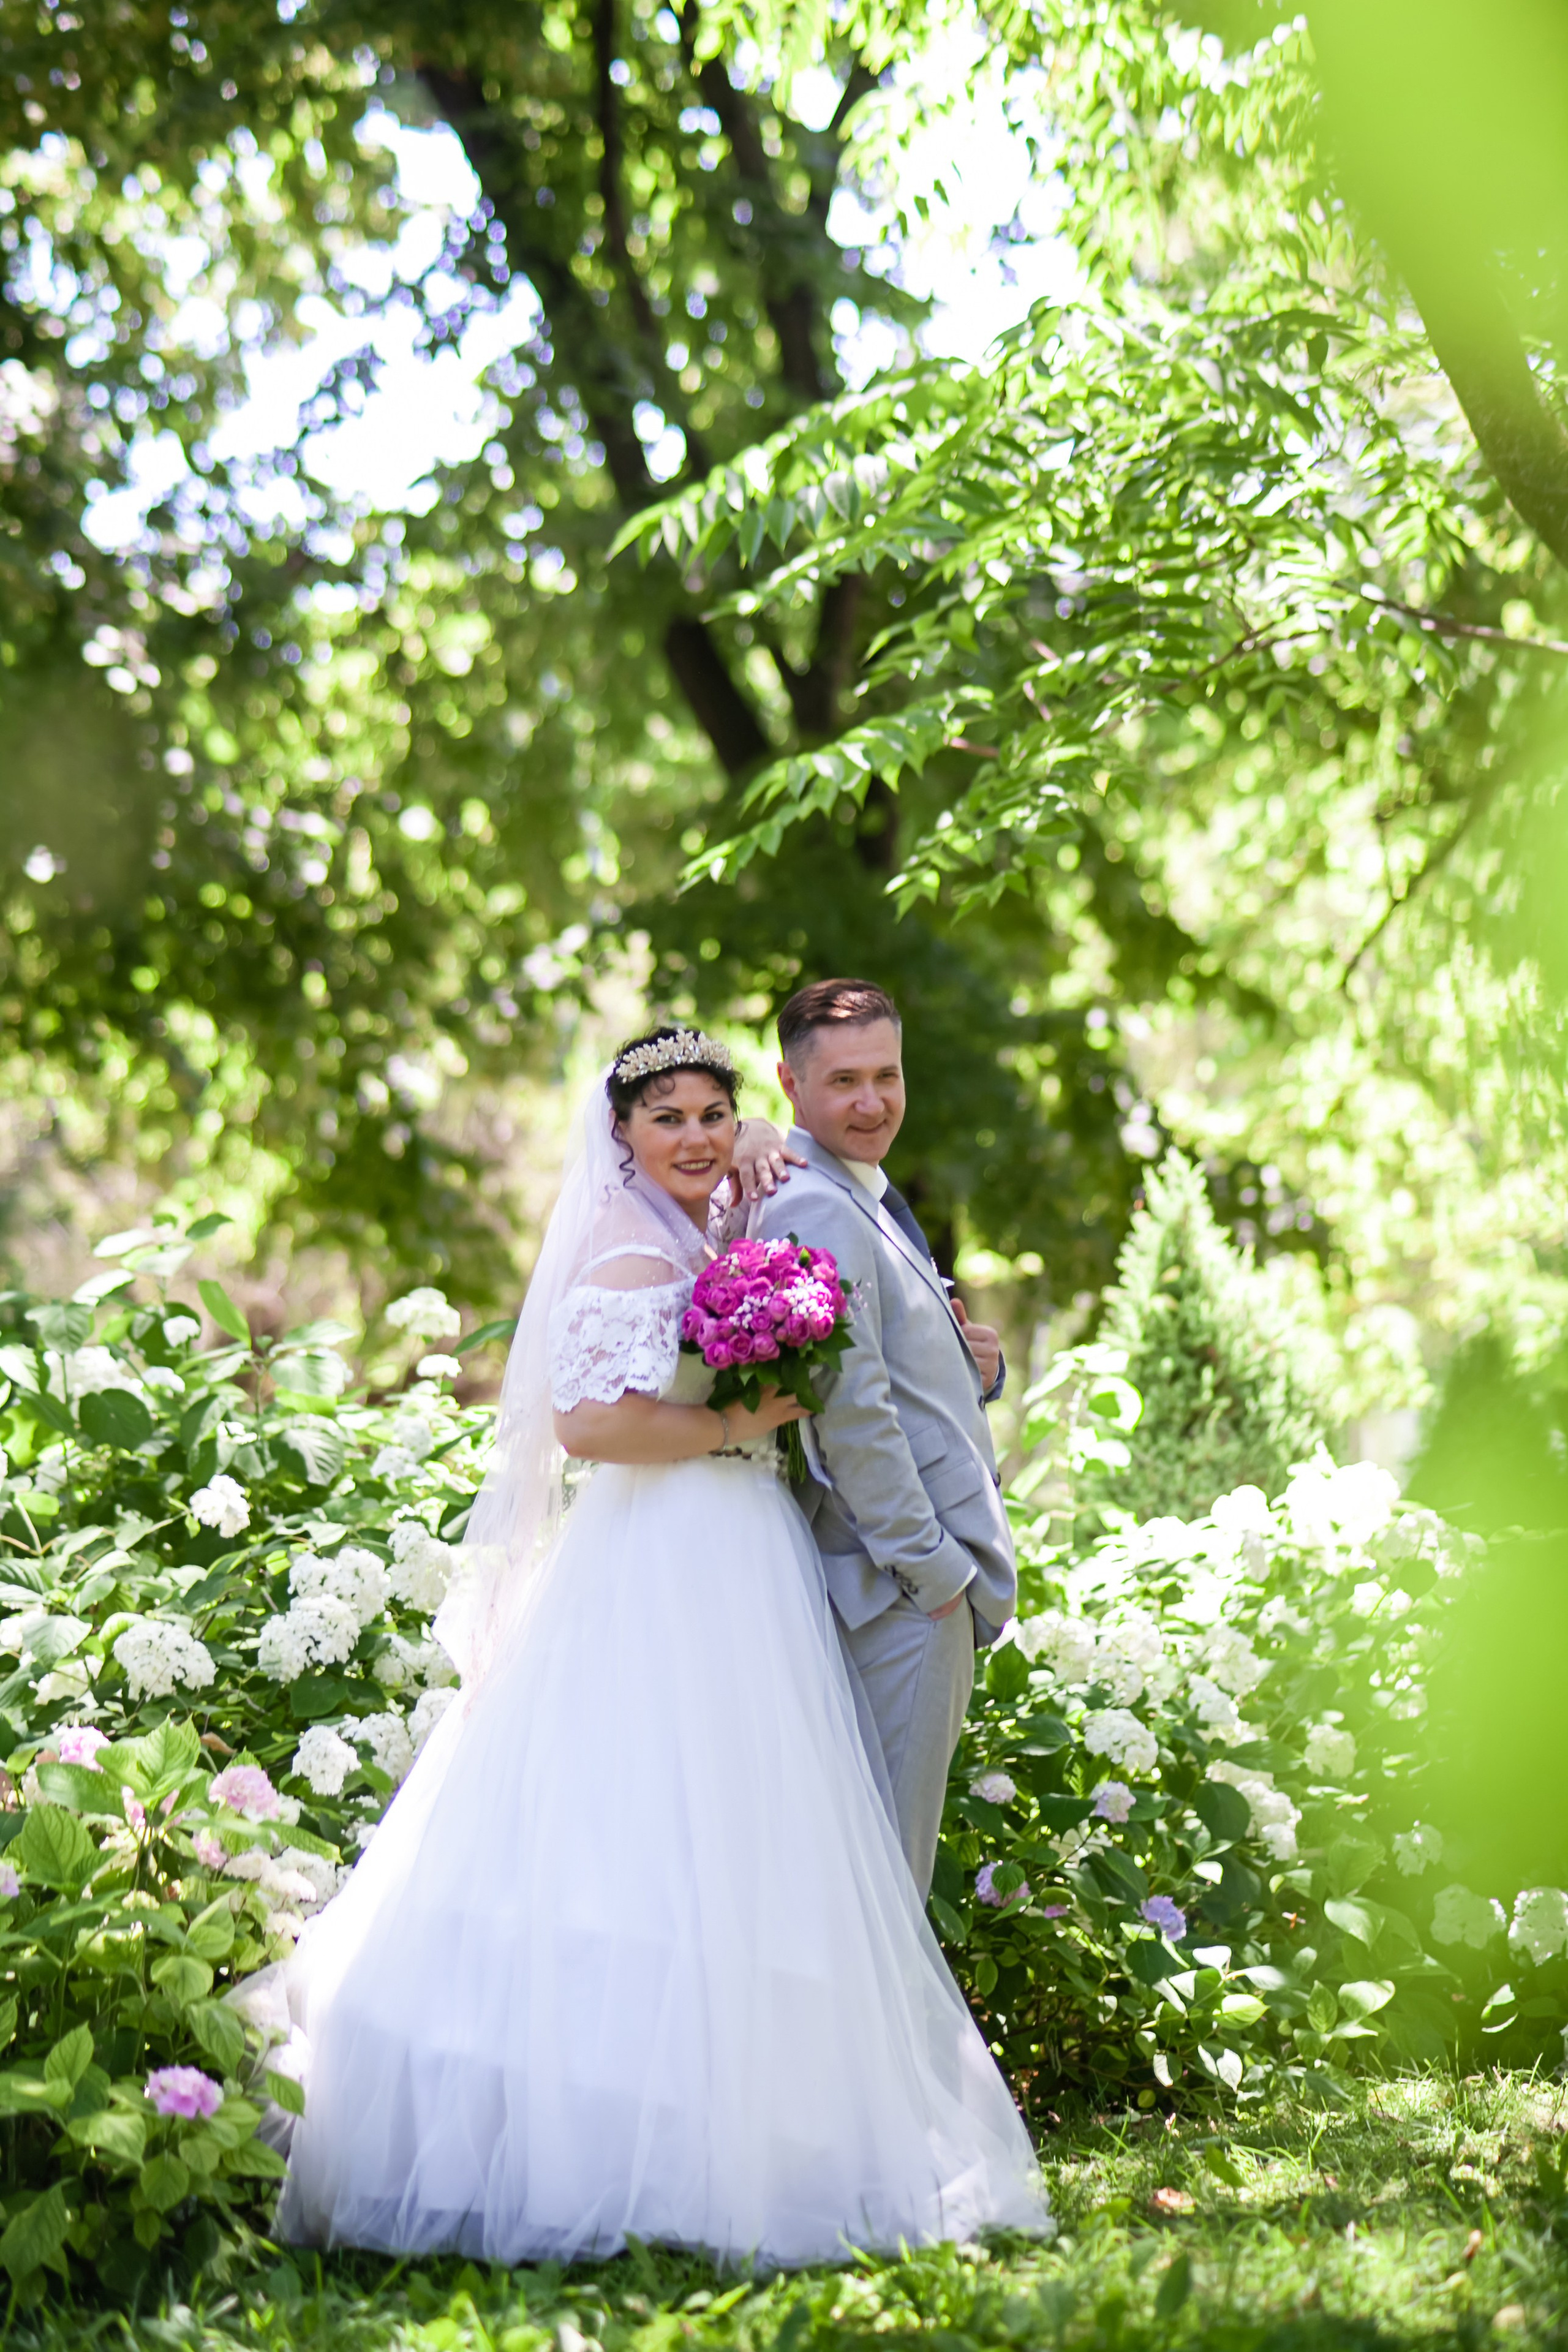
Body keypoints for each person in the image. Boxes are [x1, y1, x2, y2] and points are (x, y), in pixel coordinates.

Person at [252, 1025, 1048, 2267]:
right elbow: (587, 1427)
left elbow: (784, 1161)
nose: (692, 1136)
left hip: (750, 1544)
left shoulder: (720, 1220)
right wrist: (746, 1409)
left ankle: (749, 2120)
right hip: (660, 1551)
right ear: (619, 1133)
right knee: (631, 1824)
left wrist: (770, 1159)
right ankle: (603, 2133)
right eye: (664, 1117)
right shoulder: (625, 1247)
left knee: (744, 1834)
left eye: (708, 1115)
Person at [747, 981, 1016, 1901]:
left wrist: (970, 1365)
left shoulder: (859, 1192)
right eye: (845, 1082)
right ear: (789, 1083)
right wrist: (935, 1573)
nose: (872, 1104)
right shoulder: (815, 1204)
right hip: (899, 1594)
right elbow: (850, 1412)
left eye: (888, 1077)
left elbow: (893, 1369)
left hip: (910, 1589)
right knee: (884, 1891)